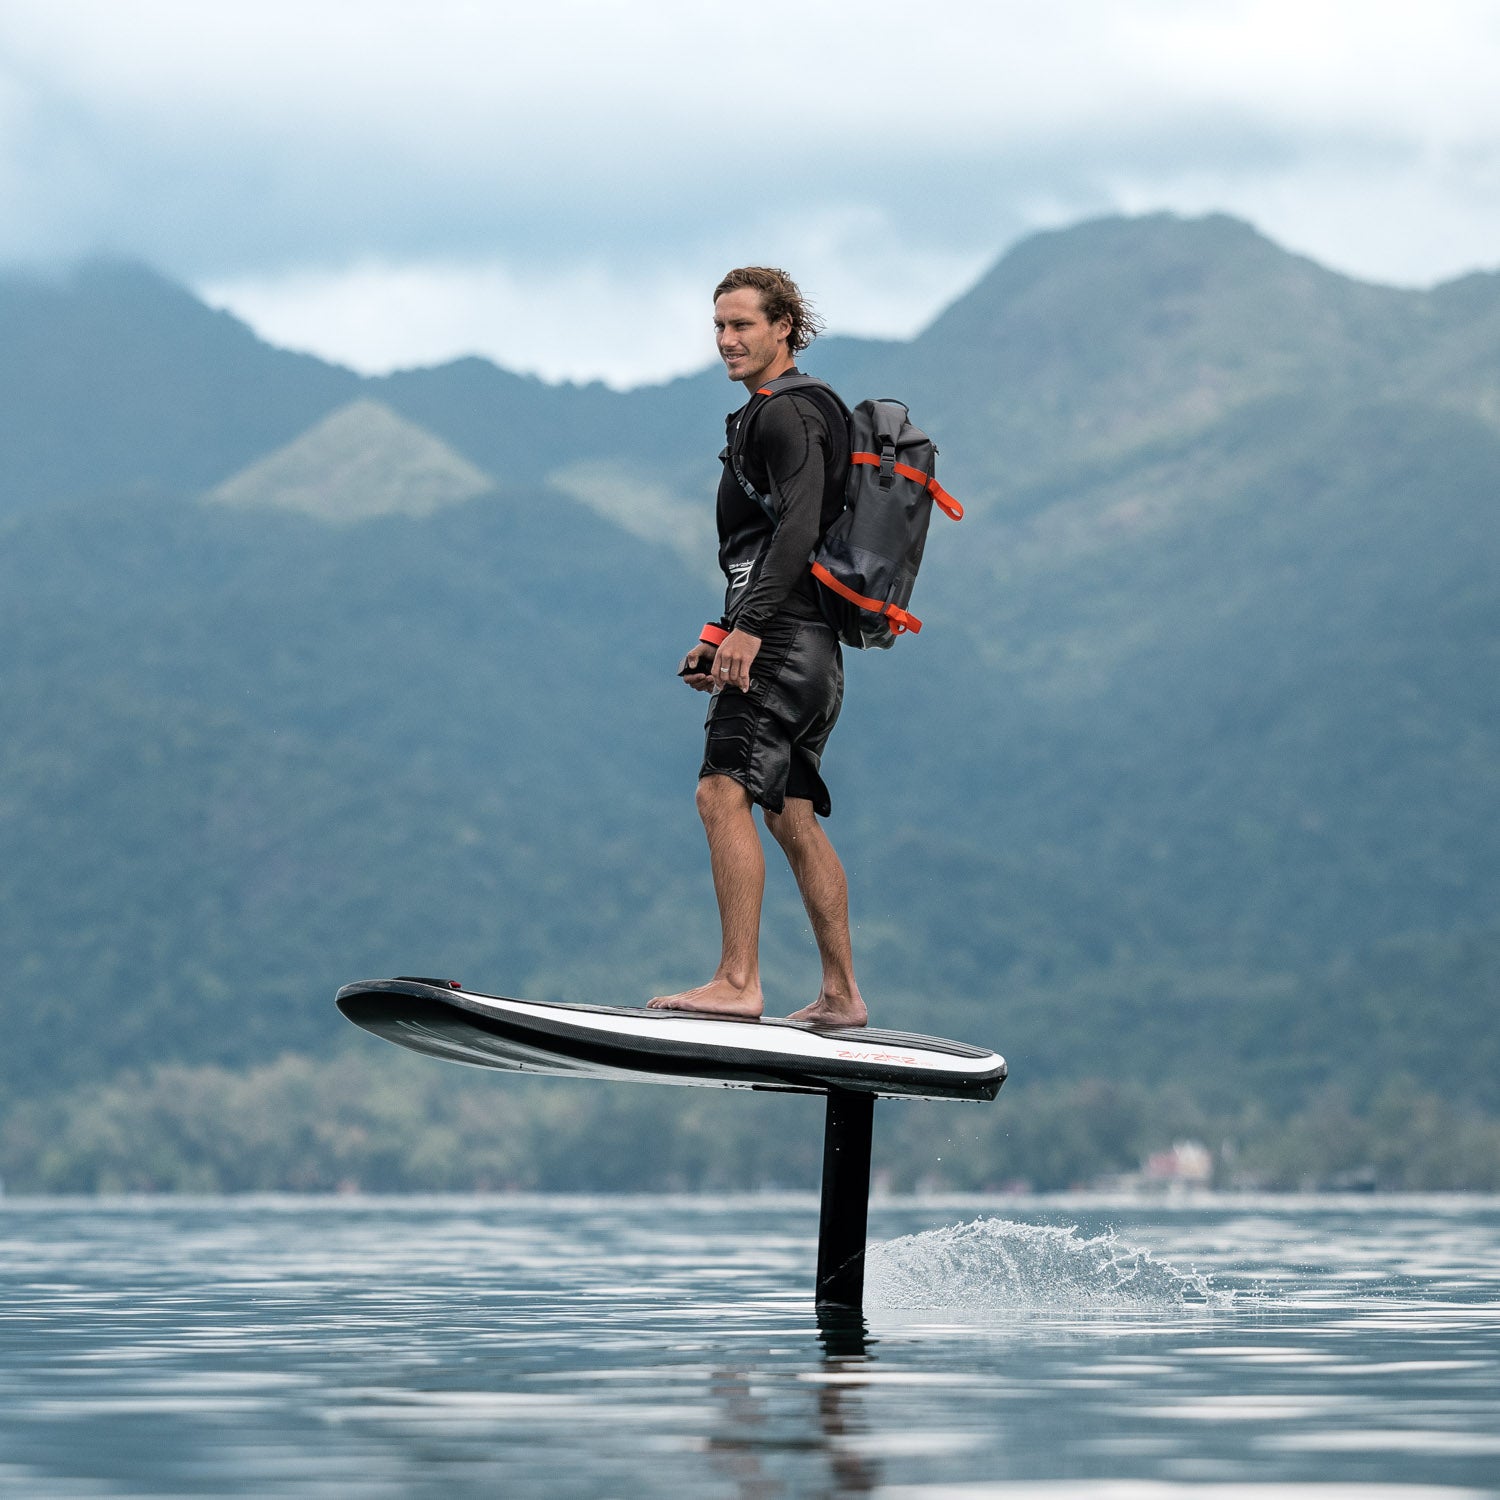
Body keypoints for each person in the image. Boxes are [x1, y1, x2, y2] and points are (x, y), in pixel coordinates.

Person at [649, 267, 868, 1028]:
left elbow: (799, 527)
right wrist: (719, 632)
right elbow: (759, 545)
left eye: (742, 324)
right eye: (718, 326)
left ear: (784, 328)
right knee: (792, 815)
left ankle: (738, 981)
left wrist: (748, 629)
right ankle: (840, 994)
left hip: (780, 641)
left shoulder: (786, 414)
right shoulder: (783, 415)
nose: (727, 340)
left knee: (720, 793)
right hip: (807, 650)